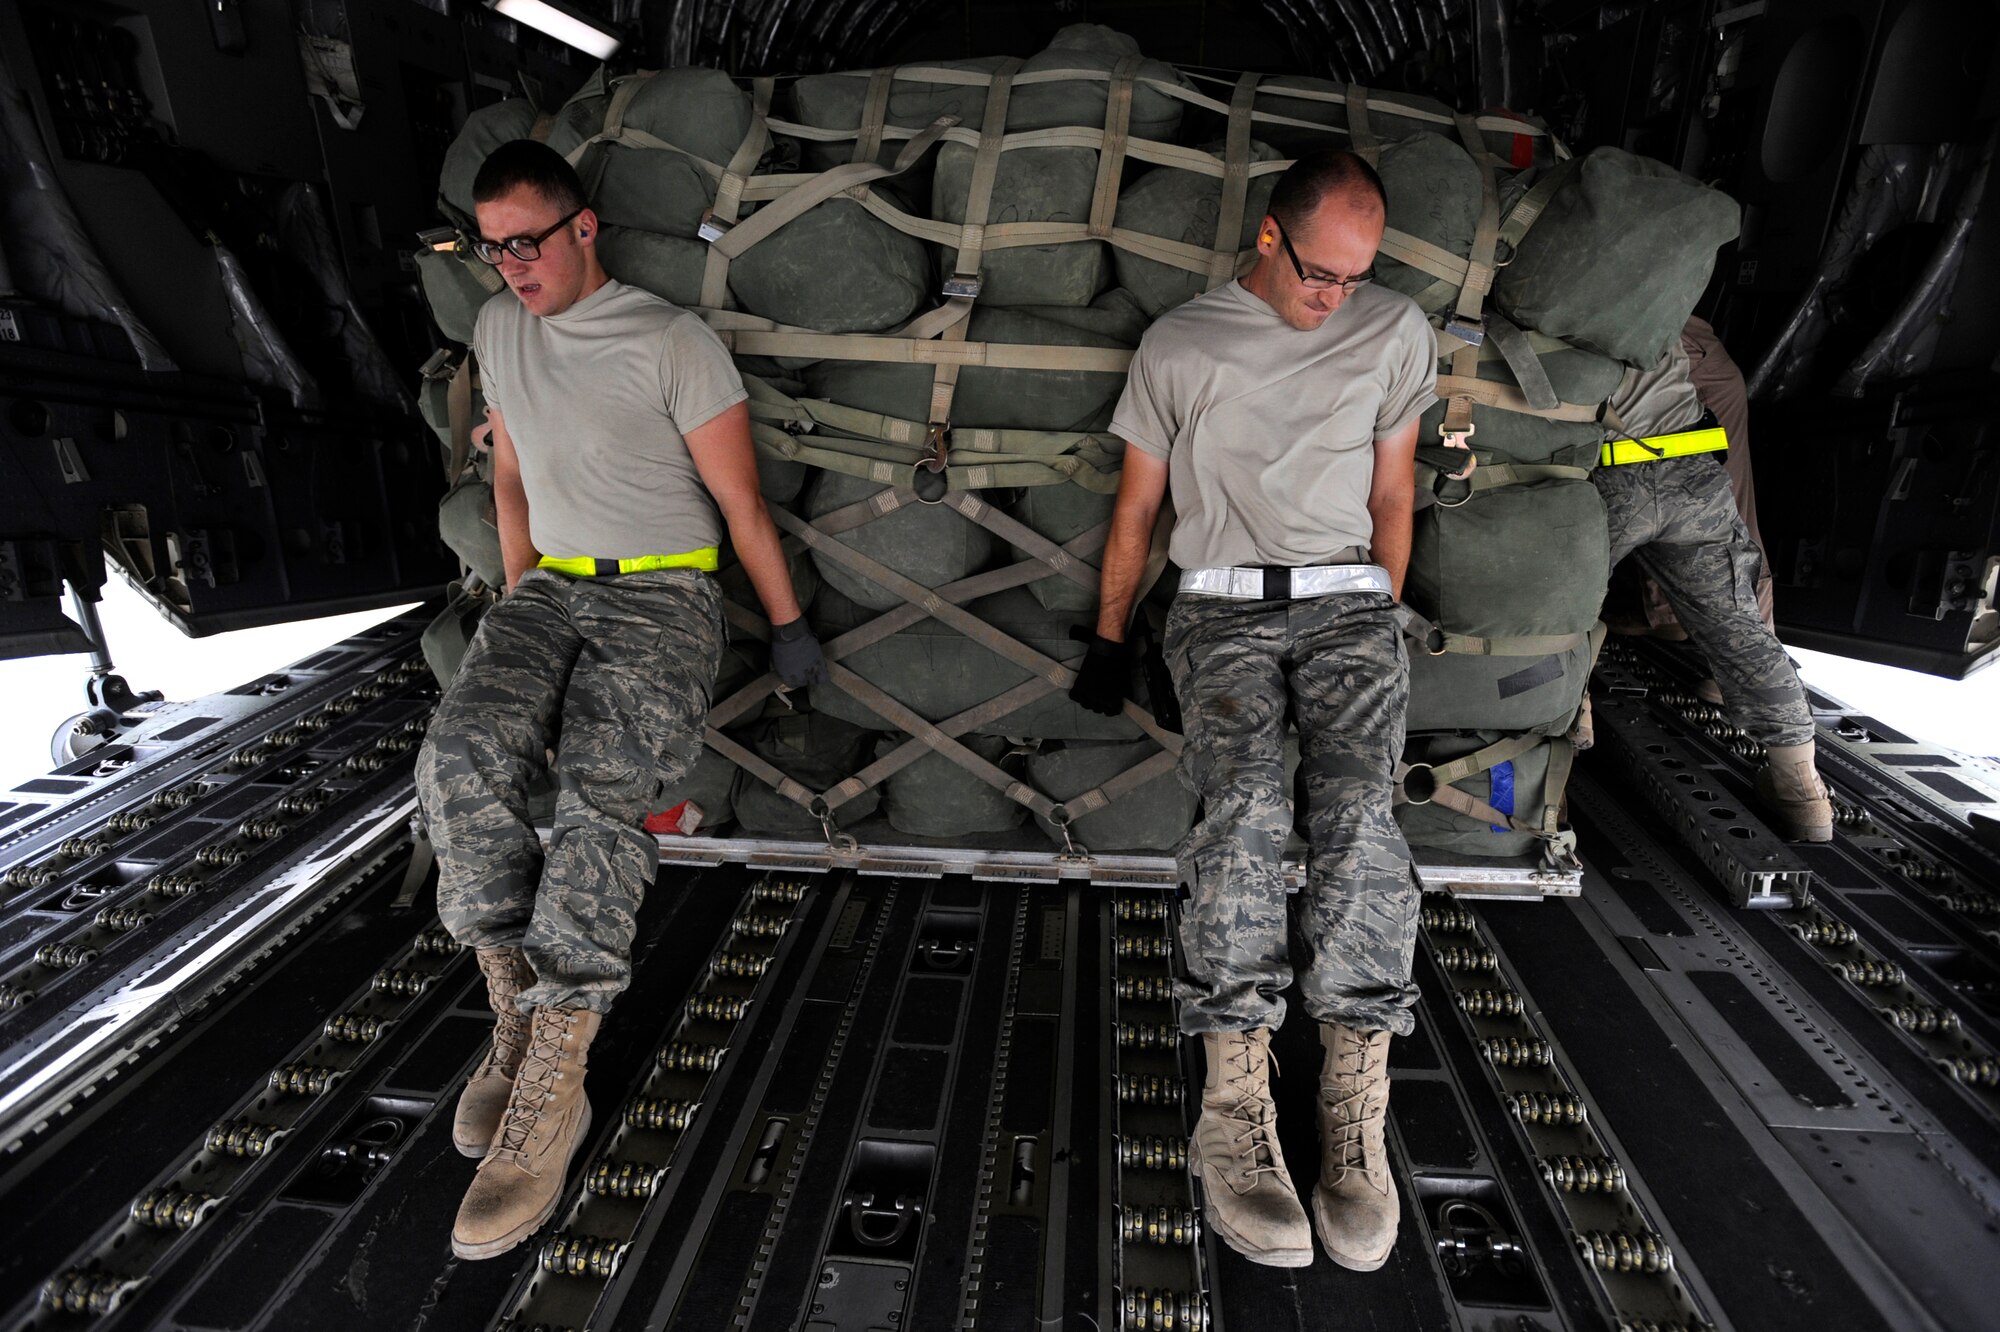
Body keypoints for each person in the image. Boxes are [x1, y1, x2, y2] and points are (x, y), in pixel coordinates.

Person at [414, 140, 827, 1261]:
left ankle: (558, 1079)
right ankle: (513, 1014)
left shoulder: (669, 342)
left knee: (601, 797)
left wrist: (786, 627)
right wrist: (514, 611)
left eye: (526, 242)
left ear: (581, 228)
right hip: (551, 589)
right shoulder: (499, 332)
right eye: (491, 246)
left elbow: (741, 504)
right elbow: (510, 477)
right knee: (457, 755)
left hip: (663, 597)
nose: (509, 266)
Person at [1071, 150, 1433, 1272]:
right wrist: (1110, 634)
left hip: (1344, 604)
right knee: (1238, 810)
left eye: (1353, 276)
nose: (1336, 297)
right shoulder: (1182, 343)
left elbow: (1390, 489)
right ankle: (1233, 1101)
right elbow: (1137, 505)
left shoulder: (1393, 331)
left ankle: (1351, 1105)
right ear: (1269, 238)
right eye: (1320, 272)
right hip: (1220, 606)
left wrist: (1381, 603)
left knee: (1361, 816)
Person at [1598, 337, 1834, 840]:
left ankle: (1568, 735)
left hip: (1608, 475)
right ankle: (1802, 789)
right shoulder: (1675, 305)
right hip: (1691, 471)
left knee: (1561, 611)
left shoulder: (1561, 292)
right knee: (1741, 629)